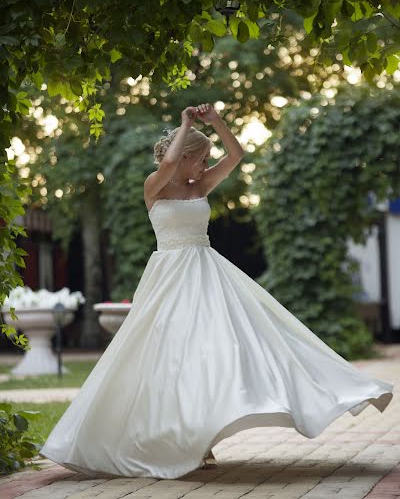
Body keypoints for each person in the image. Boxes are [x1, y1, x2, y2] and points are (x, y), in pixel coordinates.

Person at [39, 103, 394, 480]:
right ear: (187, 155)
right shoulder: (155, 186)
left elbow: (237, 155)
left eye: (208, 158)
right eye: (202, 157)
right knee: (168, 356)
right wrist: (185, 123)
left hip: (207, 274)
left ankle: (201, 437)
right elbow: (169, 166)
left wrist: (217, 123)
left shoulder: (201, 185)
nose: (206, 164)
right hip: (170, 277)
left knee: (214, 352)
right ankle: (175, 438)